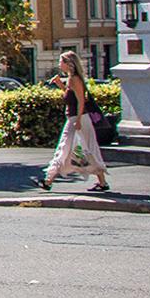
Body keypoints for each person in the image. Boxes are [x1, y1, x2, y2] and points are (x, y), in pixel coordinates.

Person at [34, 49, 110, 192]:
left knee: (65, 148)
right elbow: (71, 97)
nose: (59, 64)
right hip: (76, 118)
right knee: (85, 149)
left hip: (77, 119)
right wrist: (60, 84)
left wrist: (79, 120)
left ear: (69, 64)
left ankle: (48, 180)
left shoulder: (74, 79)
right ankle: (102, 182)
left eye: (61, 62)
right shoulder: (71, 79)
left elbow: (81, 101)